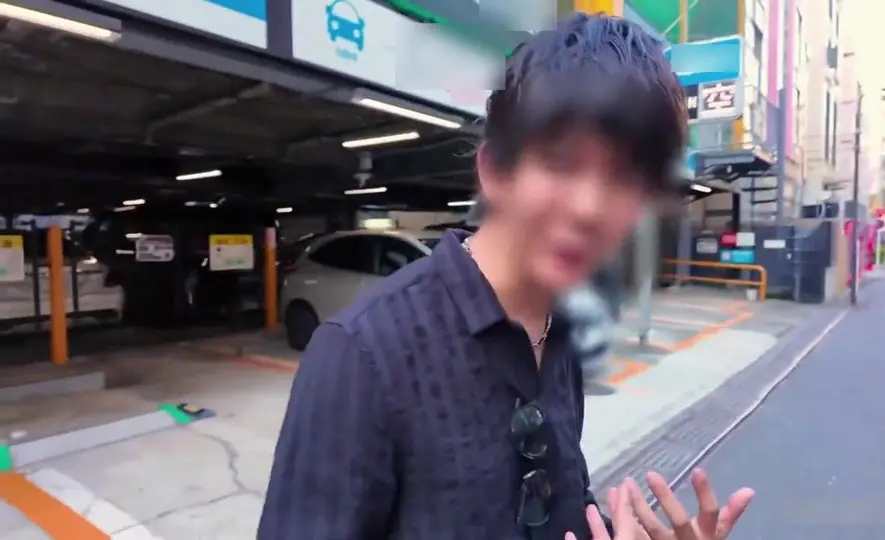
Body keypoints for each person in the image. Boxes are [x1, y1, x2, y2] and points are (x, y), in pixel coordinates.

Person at [258, 11, 753, 540]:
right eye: (561, 163)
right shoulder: (361, 356)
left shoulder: (559, 336)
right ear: (494, 170)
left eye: (624, 178)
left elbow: (562, 507)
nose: (589, 208)